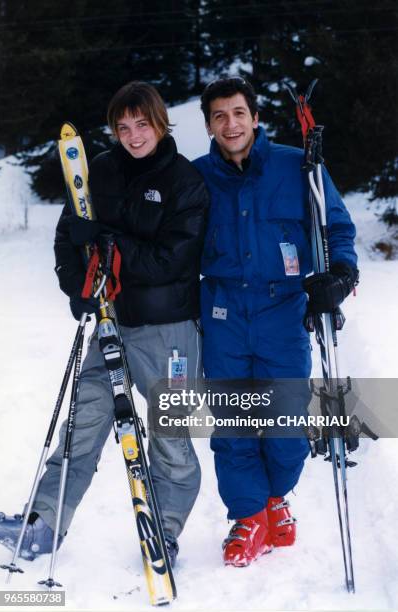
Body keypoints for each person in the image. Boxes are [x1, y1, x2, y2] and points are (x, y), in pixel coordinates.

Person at [0, 81, 208, 568]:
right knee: (83, 422)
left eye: (142, 124)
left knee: (170, 438)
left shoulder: (185, 182)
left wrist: (109, 243)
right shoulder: (100, 172)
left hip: (169, 329)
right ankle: (42, 525)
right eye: (123, 127)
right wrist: (77, 287)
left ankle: (165, 532)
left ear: (160, 123)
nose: (133, 135)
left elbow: (171, 260)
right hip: (111, 324)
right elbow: (70, 235)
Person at [193, 77, 358, 567]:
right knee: (234, 421)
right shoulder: (197, 177)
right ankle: (247, 516)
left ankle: (275, 501)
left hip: (282, 310)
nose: (231, 123)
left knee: (286, 418)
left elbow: (337, 227)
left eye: (239, 113)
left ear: (256, 117)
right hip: (222, 310)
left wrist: (341, 276)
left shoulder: (298, 166)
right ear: (209, 125)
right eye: (220, 116)